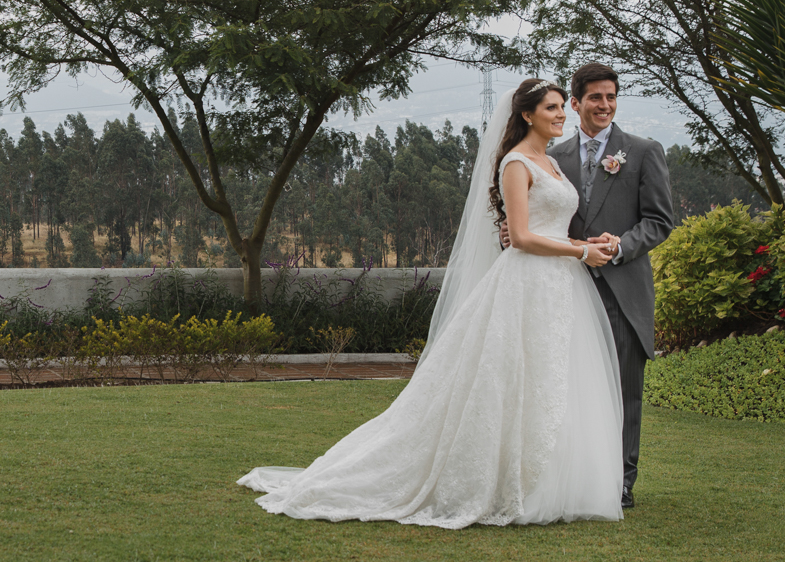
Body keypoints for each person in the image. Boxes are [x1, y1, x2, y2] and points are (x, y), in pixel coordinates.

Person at [237, 78, 625, 529]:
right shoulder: (518, 163)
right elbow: (520, 237)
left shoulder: (551, 164)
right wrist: (580, 251)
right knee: (515, 379)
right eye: (553, 108)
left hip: (558, 285)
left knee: (552, 379)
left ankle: (549, 481)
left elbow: (549, 227)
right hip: (527, 284)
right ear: (526, 114)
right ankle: (502, 482)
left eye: (562, 107)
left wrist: (586, 241)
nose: (562, 114)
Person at [507, 63, 673, 510]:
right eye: (596, 98)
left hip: (622, 288)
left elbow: (660, 222)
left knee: (623, 388)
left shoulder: (642, 151)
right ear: (577, 103)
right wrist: (512, 232)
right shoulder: (549, 156)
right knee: (568, 386)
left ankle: (620, 481)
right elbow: (538, 216)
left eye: (612, 97)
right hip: (564, 289)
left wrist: (620, 245)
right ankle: (574, 476)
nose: (605, 105)